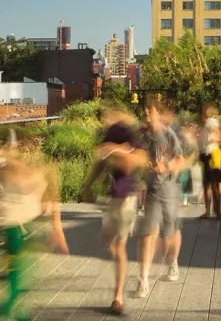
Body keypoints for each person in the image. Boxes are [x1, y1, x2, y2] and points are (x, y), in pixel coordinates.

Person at [81, 109, 148, 315]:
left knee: (119, 245)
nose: (104, 120)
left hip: (126, 196)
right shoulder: (111, 132)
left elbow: (132, 162)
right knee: (111, 244)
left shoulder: (128, 133)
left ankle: (118, 297)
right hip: (113, 196)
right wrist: (87, 186)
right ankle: (119, 290)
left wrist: (113, 150)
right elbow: (101, 162)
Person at [0, 132, 69, 320]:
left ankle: (14, 309)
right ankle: (14, 310)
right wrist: (57, 229)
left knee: (18, 271)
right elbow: (51, 203)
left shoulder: (18, 170)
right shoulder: (22, 170)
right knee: (19, 272)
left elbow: (50, 202)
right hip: (18, 229)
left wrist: (57, 229)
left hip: (18, 229)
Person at [135, 103, 185, 298]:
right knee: (147, 234)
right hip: (152, 191)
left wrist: (166, 166)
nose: (147, 117)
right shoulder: (142, 137)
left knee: (170, 232)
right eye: (145, 113)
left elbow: (180, 160)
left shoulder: (168, 134)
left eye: (150, 113)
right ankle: (143, 280)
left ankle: (173, 262)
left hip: (169, 189)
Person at [198, 106, 221, 219]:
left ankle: (214, 212)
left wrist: (213, 139)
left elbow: (217, 134)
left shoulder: (210, 121)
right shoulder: (213, 122)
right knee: (212, 184)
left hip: (210, 154)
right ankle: (214, 211)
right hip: (212, 154)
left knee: (210, 185)